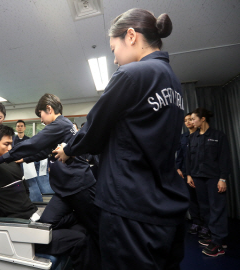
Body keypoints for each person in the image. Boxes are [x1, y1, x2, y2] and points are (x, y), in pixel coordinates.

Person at [54, 8, 189, 269]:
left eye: (113, 48)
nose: (114, 59)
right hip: (167, 206)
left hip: (130, 206)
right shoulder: (173, 81)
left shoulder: (132, 74)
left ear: (130, 36)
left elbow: (94, 128)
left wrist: (68, 150)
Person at [0, 94, 100, 248]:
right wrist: (23, 159)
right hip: (64, 190)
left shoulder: (59, 124)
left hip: (79, 186)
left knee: (96, 227)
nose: (41, 120)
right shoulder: (63, 126)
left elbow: (33, 144)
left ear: (48, 109)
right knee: (45, 224)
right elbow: (45, 152)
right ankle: (78, 226)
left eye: (41, 115)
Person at [0, 125, 100, 270]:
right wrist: (13, 215)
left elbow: (25, 193)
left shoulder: (12, 163)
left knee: (82, 227)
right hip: (20, 231)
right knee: (80, 239)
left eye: (11, 144)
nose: (10, 149)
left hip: (33, 222)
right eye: (6, 144)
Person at [186, 108, 231, 257]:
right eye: (190, 119)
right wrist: (189, 175)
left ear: (203, 119)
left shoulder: (218, 136)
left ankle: (218, 244)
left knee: (217, 208)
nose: (191, 122)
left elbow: (224, 159)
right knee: (205, 209)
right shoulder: (193, 138)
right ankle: (214, 237)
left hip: (214, 178)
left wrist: (223, 178)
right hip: (198, 178)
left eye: (193, 119)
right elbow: (189, 159)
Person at [175, 113, 202, 234]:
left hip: (200, 172)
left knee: (203, 199)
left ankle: (207, 224)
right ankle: (196, 223)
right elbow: (179, 155)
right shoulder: (183, 137)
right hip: (186, 172)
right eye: (185, 120)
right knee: (191, 199)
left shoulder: (202, 134)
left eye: (190, 119)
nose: (188, 122)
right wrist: (178, 168)